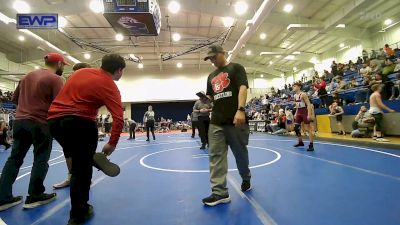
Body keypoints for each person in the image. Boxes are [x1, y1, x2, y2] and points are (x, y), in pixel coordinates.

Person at [47, 54, 125, 225]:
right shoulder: (110, 86)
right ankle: (78, 214)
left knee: (77, 159)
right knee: (81, 172)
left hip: (54, 123)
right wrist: (112, 143)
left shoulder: (80, 73)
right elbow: (118, 118)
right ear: (119, 70)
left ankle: (88, 158)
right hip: (80, 123)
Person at [0, 53, 65, 211]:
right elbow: (60, 103)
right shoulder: (56, 79)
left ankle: (3, 197)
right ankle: (35, 195)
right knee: (40, 159)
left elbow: (15, 100)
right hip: (41, 123)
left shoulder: (26, 77)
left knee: (14, 158)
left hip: (20, 122)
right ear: (59, 64)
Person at [202, 45, 252, 206]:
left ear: (223, 53)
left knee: (240, 154)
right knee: (215, 155)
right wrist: (206, 100)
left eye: (214, 57)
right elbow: (212, 96)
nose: (212, 61)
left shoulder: (236, 68)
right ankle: (220, 193)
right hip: (216, 121)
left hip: (235, 120)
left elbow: (243, 88)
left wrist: (241, 110)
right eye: (210, 58)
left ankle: (246, 178)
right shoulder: (211, 76)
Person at [53, 62, 91, 189]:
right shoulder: (68, 83)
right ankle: (72, 177)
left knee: (82, 152)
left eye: (77, 71)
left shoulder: (90, 84)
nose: (74, 74)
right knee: (68, 151)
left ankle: (83, 179)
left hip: (81, 121)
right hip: (66, 120)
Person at [293, 82, 315, 151]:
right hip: (299, 111)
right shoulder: (294, 96)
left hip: (304, 111)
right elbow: (297, 105)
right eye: (293, 86)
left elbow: (308, 104)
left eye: (295, 86)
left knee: (308, 129)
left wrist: (309, 114)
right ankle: (300, 142)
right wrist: (296, 113)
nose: (293, 87)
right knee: (296, 128)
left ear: (299, 87)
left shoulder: (303, 94)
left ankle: (311, 145)